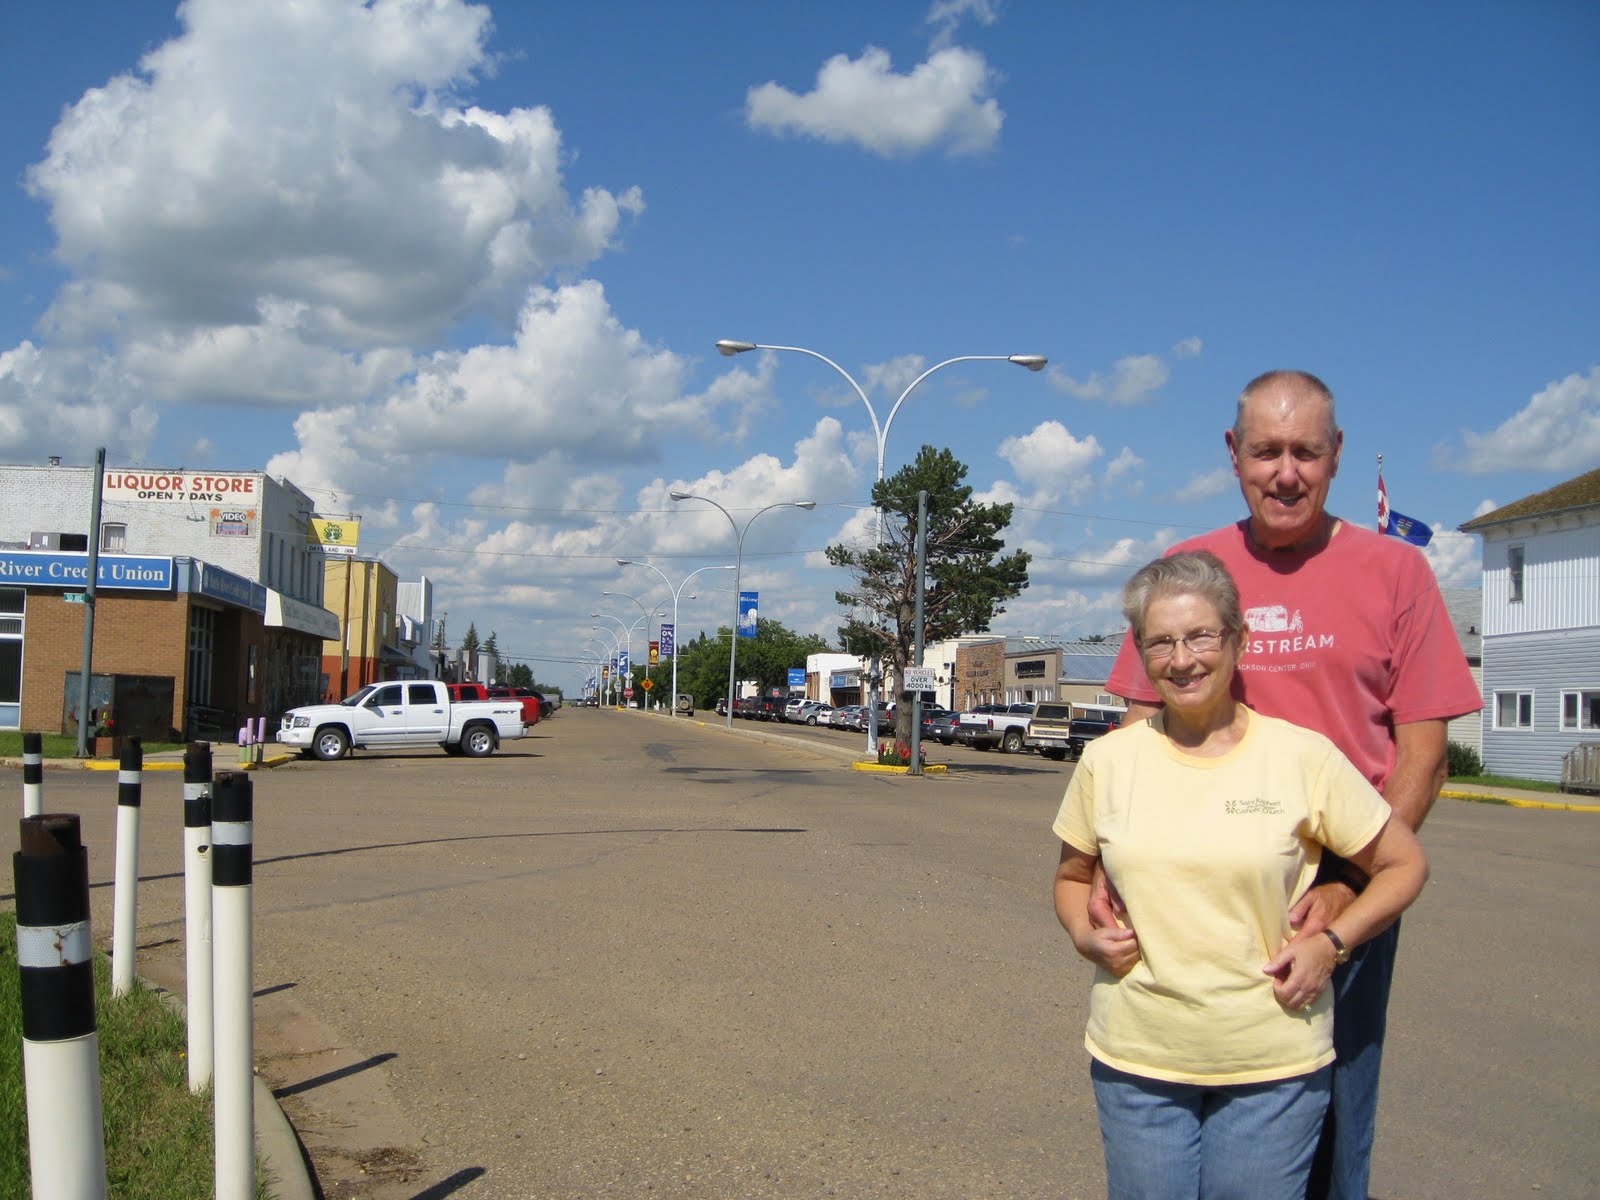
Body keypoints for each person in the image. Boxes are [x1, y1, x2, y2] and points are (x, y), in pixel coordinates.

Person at [1101, 370, 1481, 1199]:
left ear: (1335, 456)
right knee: (1170, 1102)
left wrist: (1349, 882)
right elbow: (1134, 729)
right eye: (1266, 450)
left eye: (1305, 451)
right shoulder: (1187, 571)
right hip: (1196, 889)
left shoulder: (1396, 573)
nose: (1285, 471)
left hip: (1333, 898)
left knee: (1333, 1127)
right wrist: (1109, 869)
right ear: (1232, 455)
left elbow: (1423, 753)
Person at [1055, 550, 1430, 1199]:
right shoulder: (1107, 761)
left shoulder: (1302, 757)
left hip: (1273, 1065)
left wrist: (1332, 942)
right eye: (1161, 642)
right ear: (1142, 654)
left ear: (1238, 640)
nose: (1183, 659)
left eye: (1200, 635)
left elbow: (1403, 865)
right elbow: (1070, 877)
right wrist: (1083, 936)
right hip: (1139, 1062)